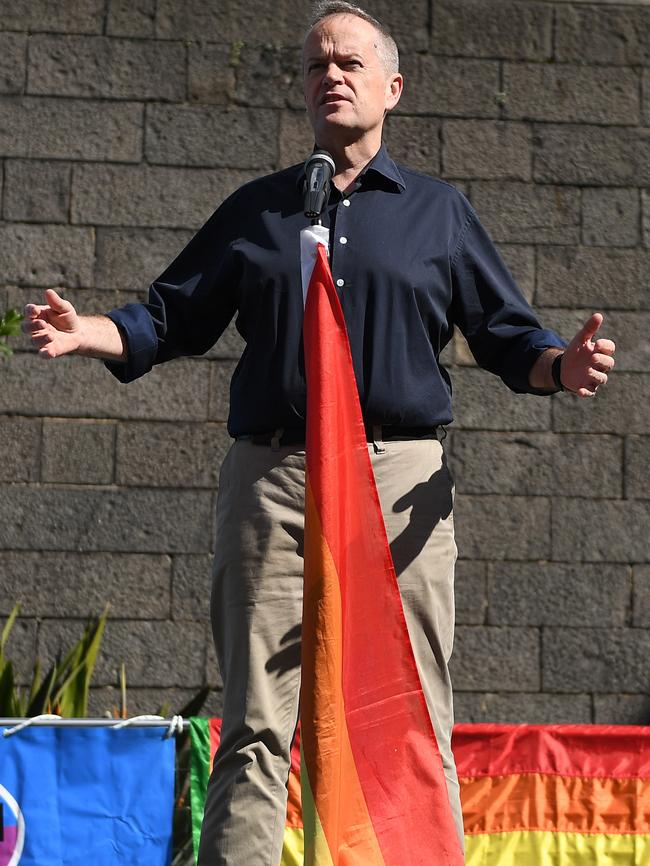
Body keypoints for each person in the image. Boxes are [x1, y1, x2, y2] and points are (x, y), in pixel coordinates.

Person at [22, 3, 615, 863]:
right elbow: (167, 316)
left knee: (408, 713)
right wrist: (88, 334)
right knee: (258, 716)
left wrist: (561, 366)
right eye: (313, 66)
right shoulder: (258, 211)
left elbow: (508, 336)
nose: (329, 76)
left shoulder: (438, 214)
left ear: (393, 87)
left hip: (394, 479)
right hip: (275, 480)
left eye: (347, 62)